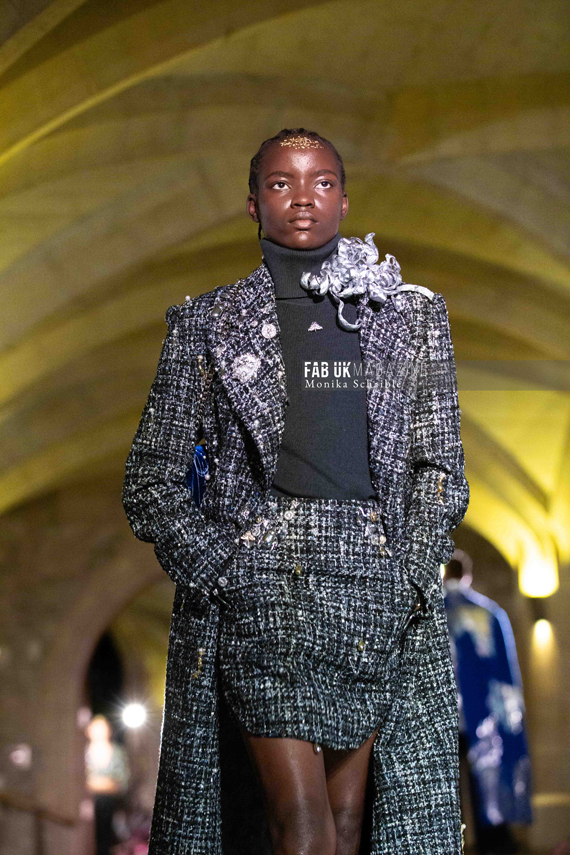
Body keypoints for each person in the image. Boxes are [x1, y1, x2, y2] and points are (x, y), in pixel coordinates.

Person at [122, 128, 469, 854]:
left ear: (344, 200)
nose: (302, 198)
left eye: (321, 182)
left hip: (374, 589)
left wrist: (409, 571)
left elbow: (439, 464)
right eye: (281, 183)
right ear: (253, 203)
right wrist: (228, 569)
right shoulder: (207, 324)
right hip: (265, 590)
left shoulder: (411, 316)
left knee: (348, 825)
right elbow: (150, 478)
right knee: (302, 824)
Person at [443, 551, 532, 855]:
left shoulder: (432, 613)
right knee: (488, 783)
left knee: (445, 788)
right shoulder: (490, 613)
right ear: (467, 575)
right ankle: (493, 844)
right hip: (484, 716)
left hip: (443, 716)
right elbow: (504, 674)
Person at [84, 715, 130, 855]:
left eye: (103, 729)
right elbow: (79, 782)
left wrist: (97, 784)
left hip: (112, 808)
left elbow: (122, 782)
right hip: (88, 810)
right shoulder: (82, 753)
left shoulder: (118, 753)